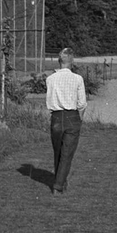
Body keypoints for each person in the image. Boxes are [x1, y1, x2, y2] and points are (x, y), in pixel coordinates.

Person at [46, 47, 87, 194]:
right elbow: (82, 103)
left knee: (58, 152)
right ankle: (58, 185)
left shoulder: (50, 79)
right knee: (67, 153)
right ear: (72, 61)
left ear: (59, 60)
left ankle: (60, 181)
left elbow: (49, 101)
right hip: (72, 116)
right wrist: (80, 118)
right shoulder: (78, 79)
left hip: (56, 116)